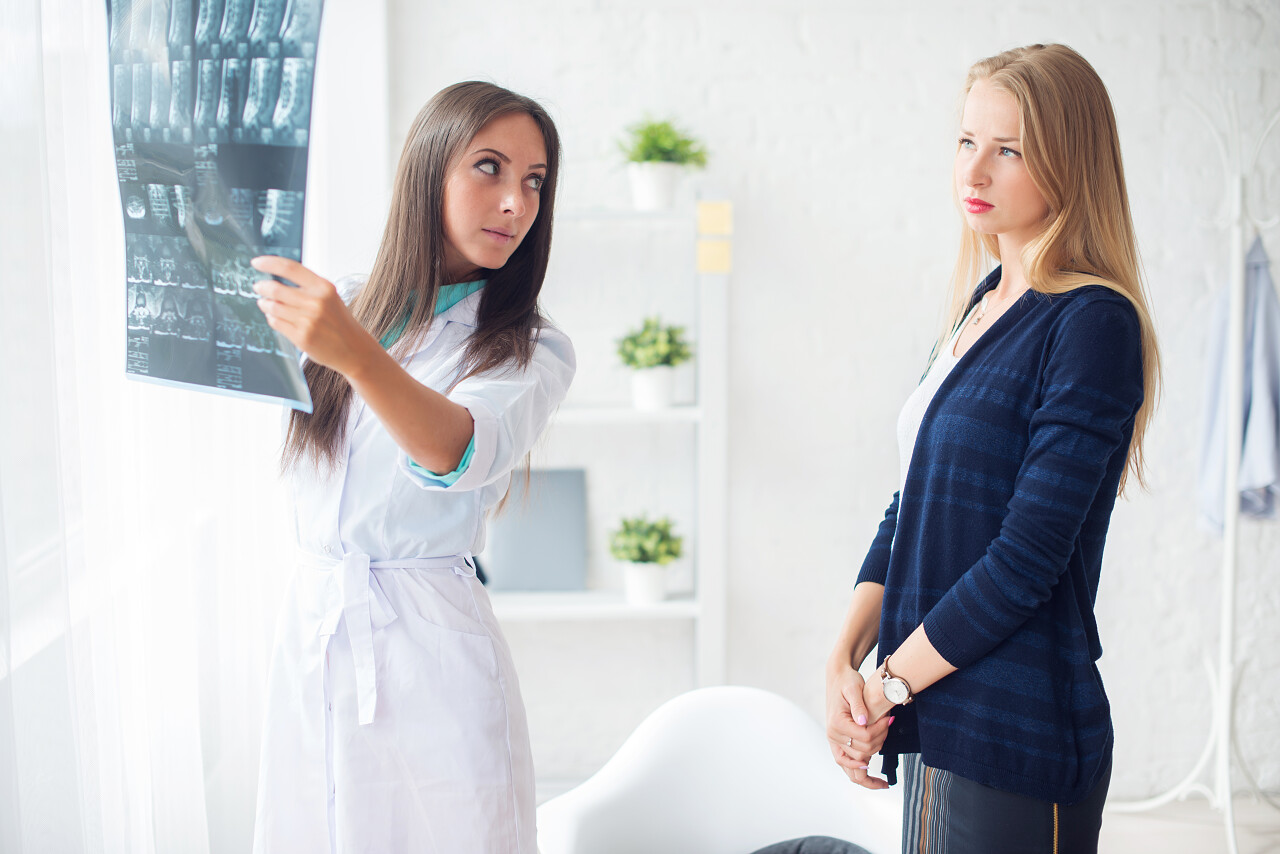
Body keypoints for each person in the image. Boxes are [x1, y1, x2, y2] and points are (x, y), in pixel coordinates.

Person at [824, 45, 1160, 854]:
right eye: (967, 140)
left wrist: (890, 682)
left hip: (1016, 729)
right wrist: (845, 661)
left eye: (1009, 149)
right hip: (935, 713)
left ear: (1069, 164)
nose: (975, 170)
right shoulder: (979, 308)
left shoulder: (1090, 323)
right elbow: (911, 506)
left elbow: (1027, 558)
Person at [248, 81, 574, 854]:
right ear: (427, 172)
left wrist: (354, 352)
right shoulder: (349, 301)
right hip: (316, 623)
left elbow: (456, 448)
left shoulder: (531, 347)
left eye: (534, 182)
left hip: (429, 642)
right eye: (489, 168)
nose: (515, 204)